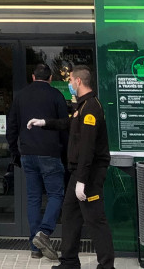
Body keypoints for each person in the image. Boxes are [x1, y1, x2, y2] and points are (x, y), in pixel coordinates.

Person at [27, 66, 114, 269]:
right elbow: (68, 124)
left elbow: (88, 147)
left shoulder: (91, 107)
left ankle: (107, 266)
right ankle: (69, 262)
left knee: (95, 219)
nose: (69, 85)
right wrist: (44, 123)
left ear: (78, 82)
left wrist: (82, 181)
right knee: (70, 216)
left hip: (89, 173)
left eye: (70, 80)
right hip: (80, 172)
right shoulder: (81, 107)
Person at [6, 64, 69, 259]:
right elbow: (65, 127)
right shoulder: (57, 96)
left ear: (33, 77)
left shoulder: (21, 96)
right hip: (50, 153)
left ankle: (35, 247)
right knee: (56, 194)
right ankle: (44, 233)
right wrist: (66, 154)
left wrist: (15, 152)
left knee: (33, 198)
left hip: (28, 153)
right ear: (50, 78)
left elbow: (12, 127)